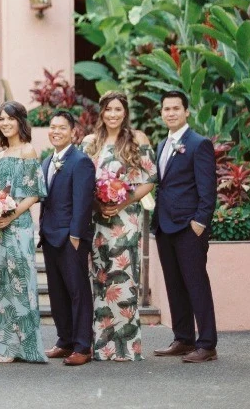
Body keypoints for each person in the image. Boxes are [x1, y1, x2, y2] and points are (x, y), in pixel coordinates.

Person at [82, 90, 156, 361]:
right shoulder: (91, 142)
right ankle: (103, 346)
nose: (113, 114)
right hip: (99, 219)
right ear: (101, 113)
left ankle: (127, 346)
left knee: (124, 279)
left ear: (125, 112)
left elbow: (149, 178)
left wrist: (123, 203)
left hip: (126, 220)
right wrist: (96, 202)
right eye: (108, 110)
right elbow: (82, 179)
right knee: (101, 279)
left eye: (118, 110)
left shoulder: (137, 139)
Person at [151, 90, 218, 363]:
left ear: (186, 111)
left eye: (176, 108)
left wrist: (200, 222)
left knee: (196, 284)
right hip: (165, 226)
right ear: (161, 113)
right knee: (174, 284)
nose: (171, 113)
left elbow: (208, 189)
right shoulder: (161, 145)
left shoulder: (198, 143)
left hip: (189, 228)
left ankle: (207, 344)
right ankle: (183, 338)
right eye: (166, 109)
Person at [0, 101, 46, 363]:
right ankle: (3, 344)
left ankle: (25, 346)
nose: (5, 123)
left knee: (20, 283)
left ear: (20, 121)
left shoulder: (28, 151)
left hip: (18, 227)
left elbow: (33, 194)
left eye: (10, 119)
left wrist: (9, 216)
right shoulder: (0, 154)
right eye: (1, 119)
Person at [39, 110, 96, 366]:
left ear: (73, 132)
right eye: (53, 127)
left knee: (77, 292)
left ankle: (83, 346)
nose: (56, 132)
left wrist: (76, 235)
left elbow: (83, 203)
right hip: (50, 235)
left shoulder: (80, 161)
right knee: (57, 293)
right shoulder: (46, 161)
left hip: (70, 237)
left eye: (62, 127)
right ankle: (64, 340)